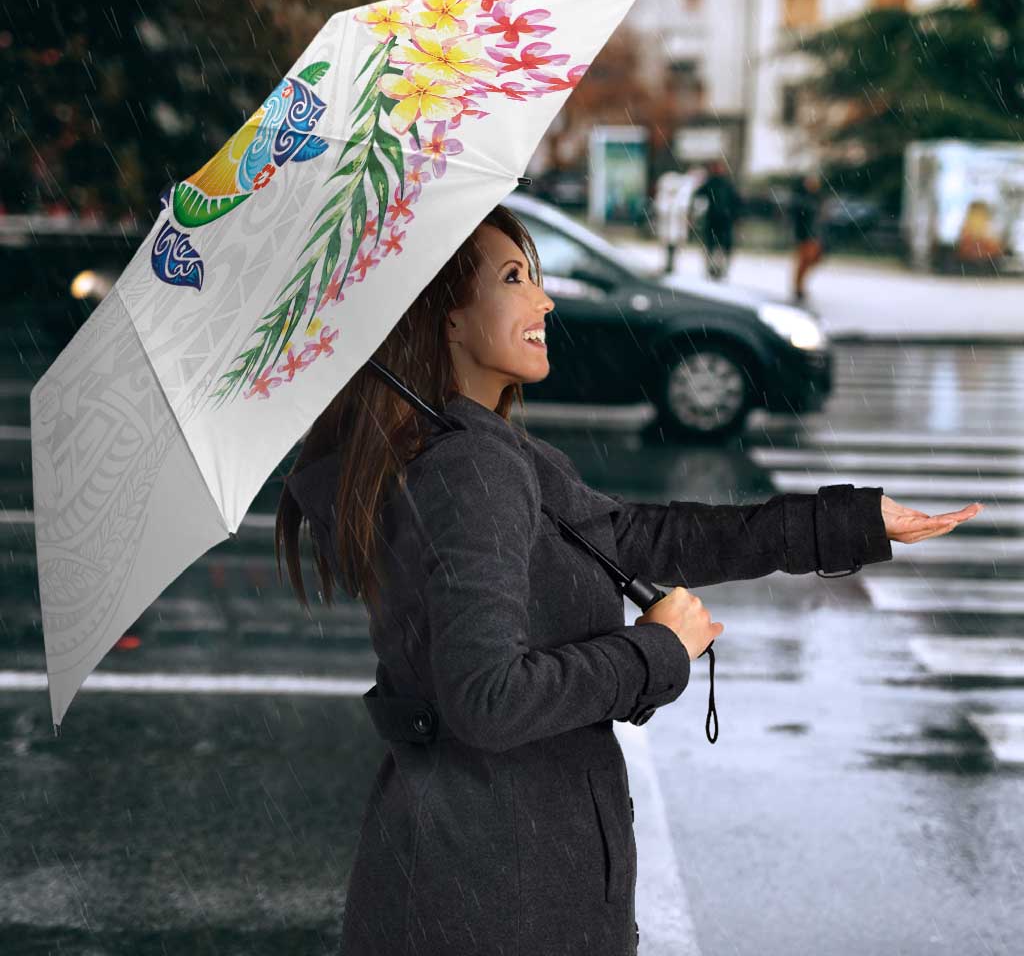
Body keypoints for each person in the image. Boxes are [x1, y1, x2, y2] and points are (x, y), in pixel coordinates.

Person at [276, 203, 981, 956]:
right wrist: (655, 651)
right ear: (445, 318)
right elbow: (487, 699)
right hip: (496, 894)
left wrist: (850, 522)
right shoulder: (469, 468)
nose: (544, 299)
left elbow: (643, 537)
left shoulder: (480, 452)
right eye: (514, 278)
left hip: (480, 875)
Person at [692, 158, 742, 281]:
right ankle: (713, 269)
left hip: (723, 220)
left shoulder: (725, 184)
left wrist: (735, 216)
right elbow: (698, 196)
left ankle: (719, 269)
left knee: (720, 247)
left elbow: (736, 202)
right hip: (715, 220)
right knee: (713, 246)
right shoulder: (712, 183)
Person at [790, 171, 826, 302]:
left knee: (812, 260)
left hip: (814, 235)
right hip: (805, 235)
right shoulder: (802, 199)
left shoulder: (817, 198)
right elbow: (799, 218)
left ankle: (799, 286)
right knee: (804, 261)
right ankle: (798, 287)